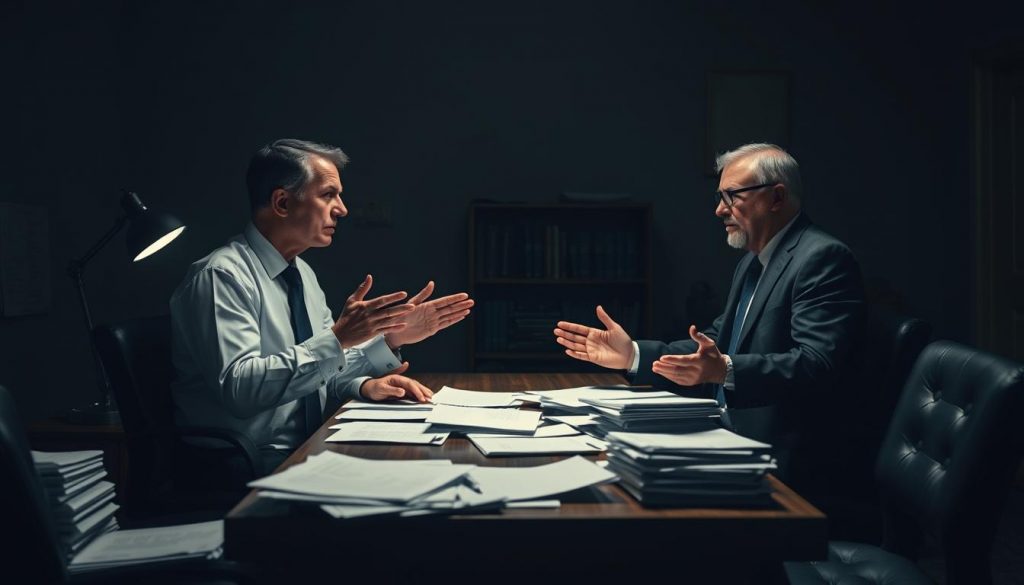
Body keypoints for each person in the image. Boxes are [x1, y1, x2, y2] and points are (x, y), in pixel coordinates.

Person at [553, 143, 864, 481]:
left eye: (732, 196)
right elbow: (717, 342)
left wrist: (724, 369)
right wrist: (634, 355)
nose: (719, 210)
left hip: (778, 459)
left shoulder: (822, 258)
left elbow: (816, 364)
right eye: (719, 197)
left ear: (776, 198)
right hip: (724, 434)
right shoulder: (752, 260)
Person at [170, 138, 473, 481]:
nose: (342, 209)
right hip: (247, 463)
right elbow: (242, 390)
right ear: (282, 202)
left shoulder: (301, 273)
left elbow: (320, 371)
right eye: (328, 195)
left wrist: (382, 351)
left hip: (306, 447)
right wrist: (339, 337)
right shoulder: (221, 277)